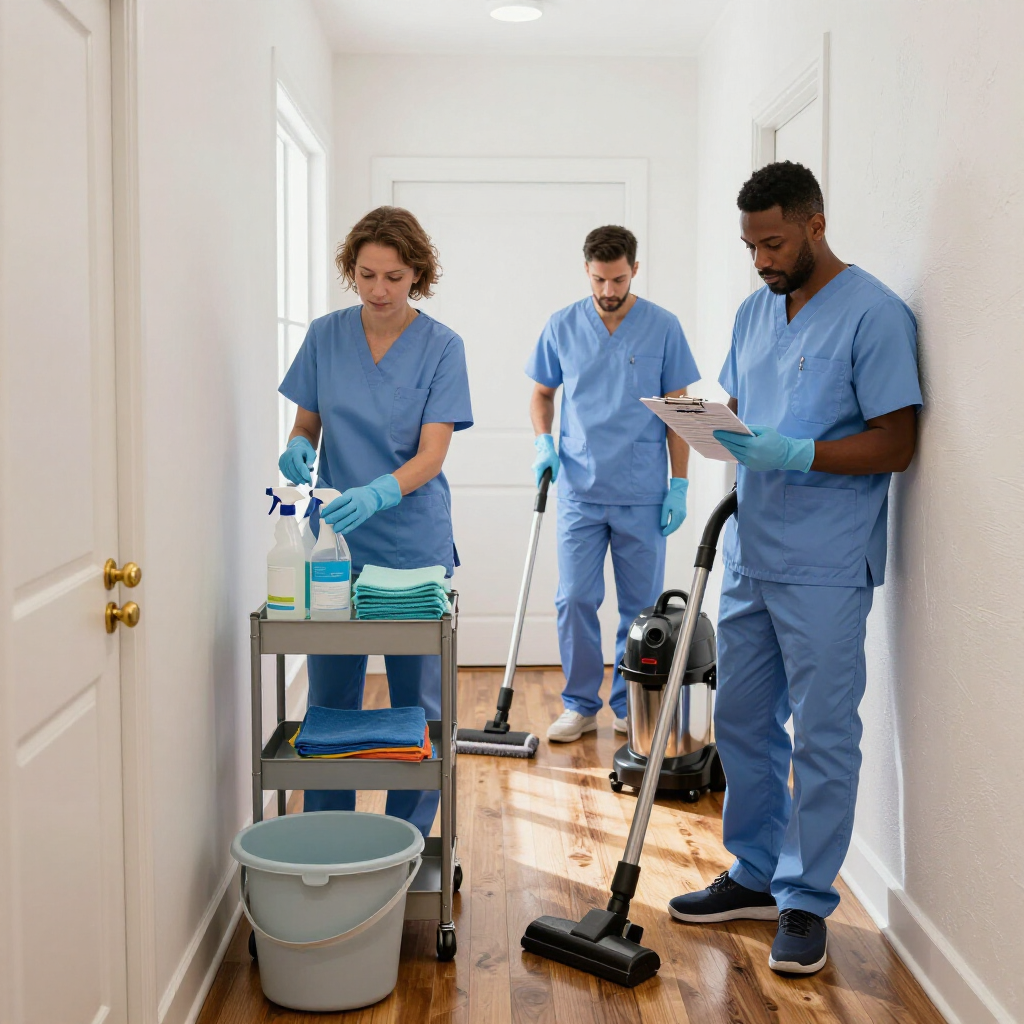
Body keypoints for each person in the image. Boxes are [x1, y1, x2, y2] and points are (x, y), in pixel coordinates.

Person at [667, 162, 922, 975]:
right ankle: (752, 873)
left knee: (821, 732)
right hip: (750, 549)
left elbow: (898, 439)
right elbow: (746, 410)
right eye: (751, 246)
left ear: (815, 223)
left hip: (824, 561)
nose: (762, 260)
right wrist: (714, 429)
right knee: (741, 722)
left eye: (773, 242)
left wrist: (800, 451)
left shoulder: (876, 314)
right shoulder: (754, 310)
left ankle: (806, 899)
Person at [278, 206, 473, 836]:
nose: (380, 290)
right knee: (332, 693)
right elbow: (308, 420)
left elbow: (433, 453)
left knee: (415, 699)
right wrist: (299, 445)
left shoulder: (442, 346)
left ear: (417, 273)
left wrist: (380, 491)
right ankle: (327, 835)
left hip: (410, 538)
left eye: (394, 276)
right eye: (366, 274)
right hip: (334, 536)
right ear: (350, 270)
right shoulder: (325, 335)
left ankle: (403, 841)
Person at [525, 226, 700, 743]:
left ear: (635, 271)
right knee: (574, 598)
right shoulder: (562, 325)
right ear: (587, 271)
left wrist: (680, 484)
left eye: (618, 279)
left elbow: (679, 413)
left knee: (642, 609)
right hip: (580, 485)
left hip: (643, 489)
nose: (608, 291)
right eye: (599, 279)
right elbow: (541, 394)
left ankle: (632, 703)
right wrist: (543, 443)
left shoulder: (663, 327)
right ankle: (580, 704)